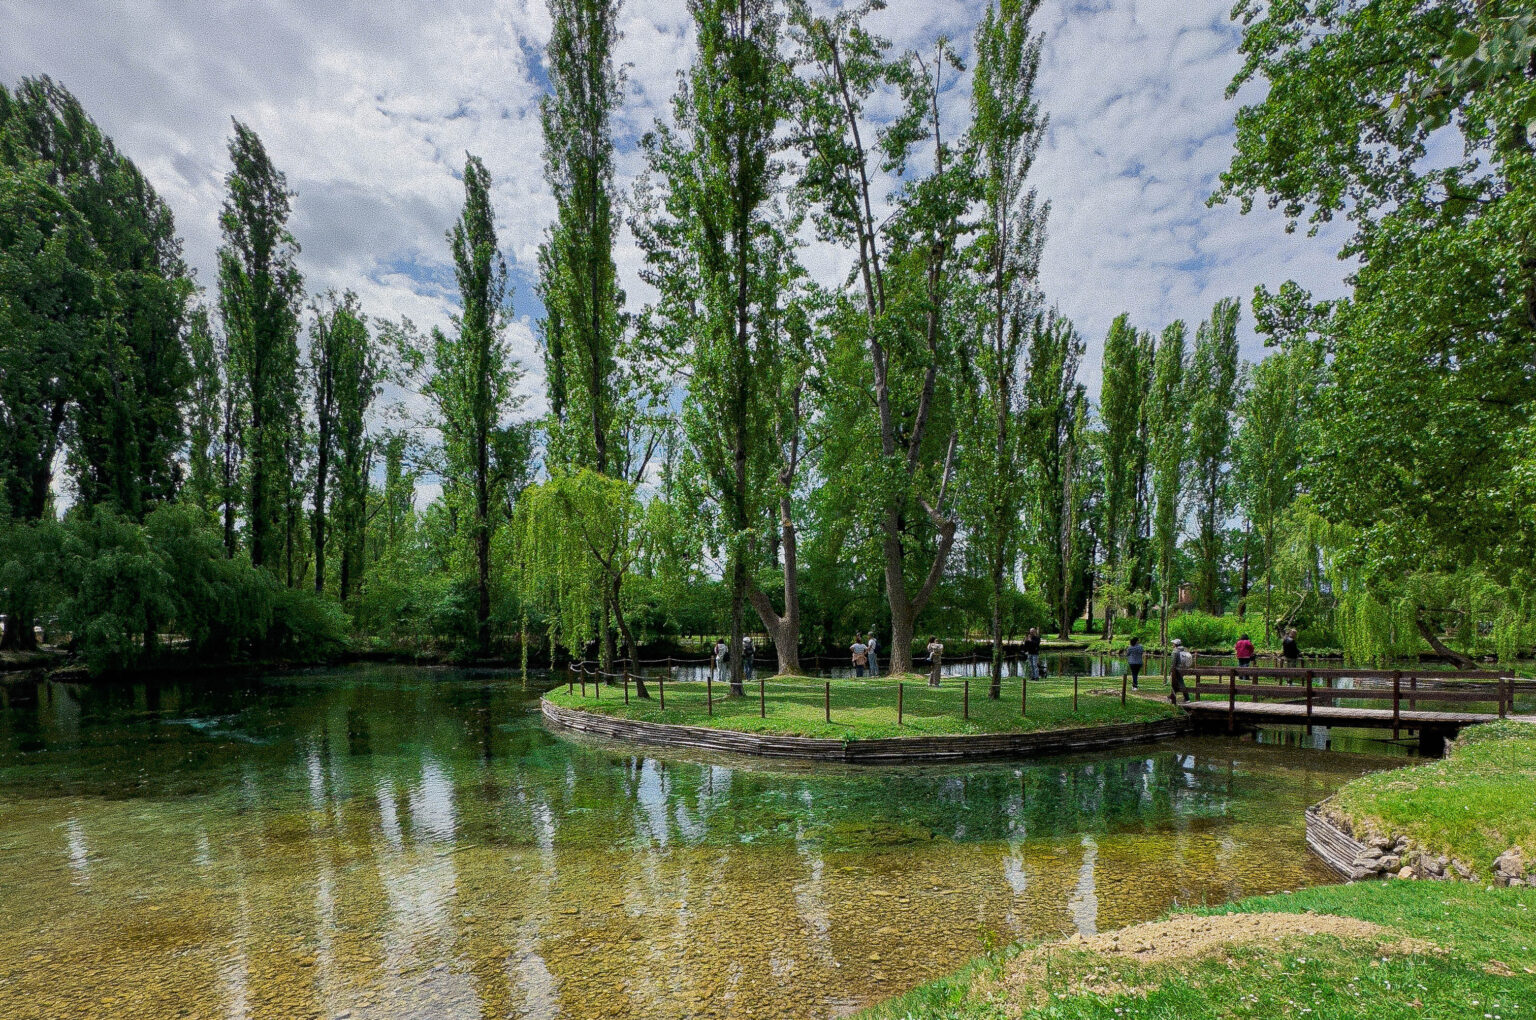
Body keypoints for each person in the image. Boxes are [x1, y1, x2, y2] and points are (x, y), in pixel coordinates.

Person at [1169, 638, 1193, 703]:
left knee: (1181, 683)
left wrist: (1170, 671)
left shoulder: (1175, 651)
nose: (1172, 644)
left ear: (1175, 644)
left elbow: (1173, 663)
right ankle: (1171, 696)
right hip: (1183, 669)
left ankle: (1187, 698)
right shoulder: (1184, 650)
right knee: (1175, 683)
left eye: (1173, 643)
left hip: (1177, 670)